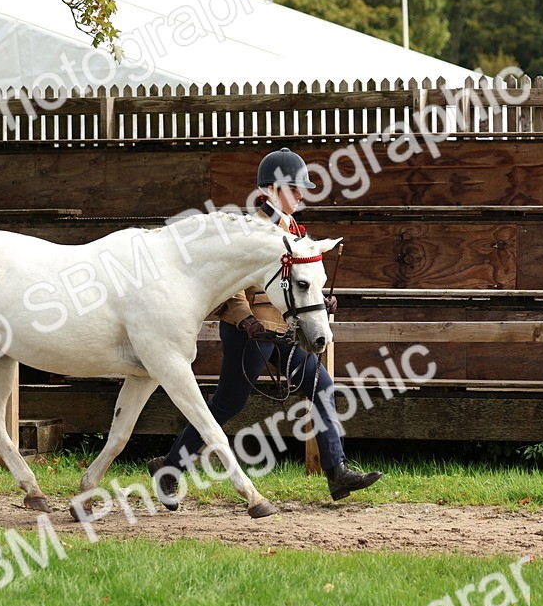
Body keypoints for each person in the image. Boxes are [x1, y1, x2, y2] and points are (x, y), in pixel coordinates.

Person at [149, 148, 382, 509]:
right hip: (250, 333)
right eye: (294, 188)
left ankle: (336, 472)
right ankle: (169, 469)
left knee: (322, 386)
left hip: (283, 332)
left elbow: (303, 281)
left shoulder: (294, 231)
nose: (302, 195)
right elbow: (229, 286)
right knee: (228, 403)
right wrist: (245, 319)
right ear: (271, 189)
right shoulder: (249, 229)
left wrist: (320, 303)